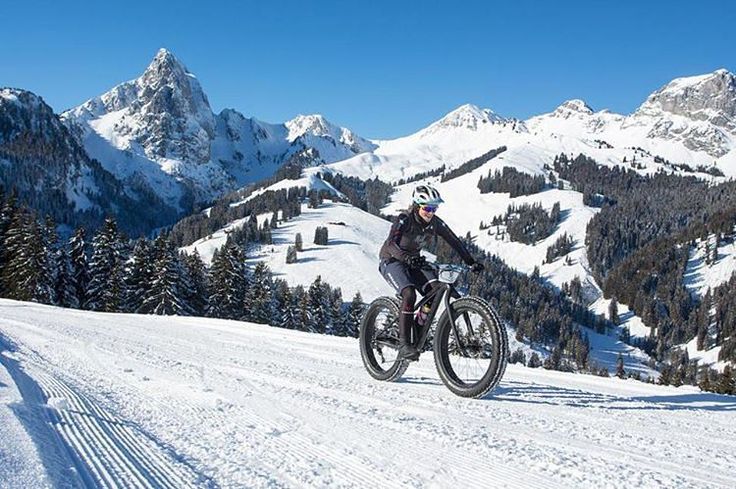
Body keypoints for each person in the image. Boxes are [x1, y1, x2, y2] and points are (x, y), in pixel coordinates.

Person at [379, 184, 484, 361]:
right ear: (417, 205)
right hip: (391, 261)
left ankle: (417, 334)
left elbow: (454, 241)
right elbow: (391, 244)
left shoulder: (435, 223)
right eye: (427, 208)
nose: (430, 212)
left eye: (434, 208)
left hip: (414, 261)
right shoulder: (404, 219)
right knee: (409, 294)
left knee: (434, 291)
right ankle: (405, 345)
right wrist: (406, 257)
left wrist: (471, 262)